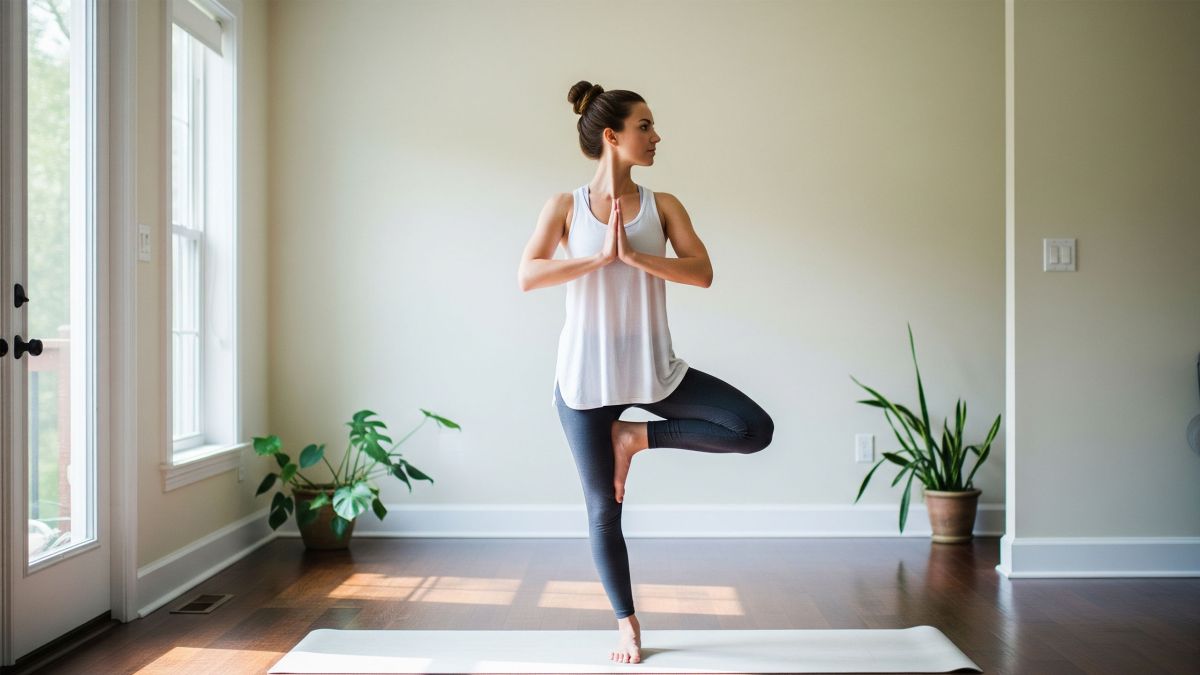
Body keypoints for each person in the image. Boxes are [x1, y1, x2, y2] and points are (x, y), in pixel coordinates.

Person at [517, 80, 775, 665]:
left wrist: (634, 255)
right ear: (612, 136)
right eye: (645, 126)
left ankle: (634, 436)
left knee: (752, 429)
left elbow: (702, 271)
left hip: (654, 370)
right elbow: (528, 275)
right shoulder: (564, 207)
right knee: (604, 508)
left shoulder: (664, 206)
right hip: (584, 382)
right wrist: (596, 258)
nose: (656, 137)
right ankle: (626, 623)